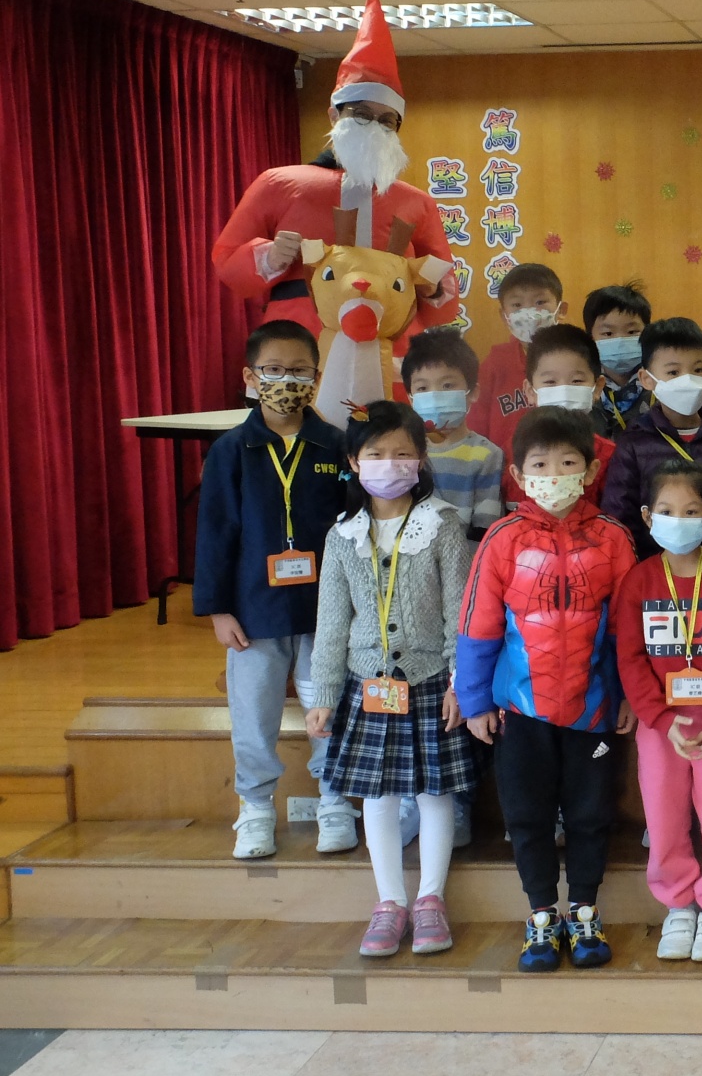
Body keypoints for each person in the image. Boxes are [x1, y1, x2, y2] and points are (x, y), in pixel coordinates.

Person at [456, 407, 638, 972]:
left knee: (590, 813)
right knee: (526, 815)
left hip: (593, 712)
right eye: (540, 465)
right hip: (520, 712)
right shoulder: (501, 539)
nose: (554, 475)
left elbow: (628, 627)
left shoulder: (613, 539)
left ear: (590, 471)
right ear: (518, 473)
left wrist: (628, 695)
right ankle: (540, 914)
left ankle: (584, 910)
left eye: (567, 463)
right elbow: (478, 625)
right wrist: (475, 701)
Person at [307, 401, 474, 958]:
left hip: (430, 680)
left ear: (420, 459)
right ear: (354, 462)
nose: (389, 463)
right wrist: (324, 694)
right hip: (366, 683)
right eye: (375, 453)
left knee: (434, 792)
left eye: (402, 453)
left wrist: (459, 682)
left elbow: (459, 613)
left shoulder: (442, 524)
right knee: (376, 795)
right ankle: (389, 901)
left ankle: (430, 899)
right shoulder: (342, 535)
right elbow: (332, 622)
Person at [210, 0, 456, 345]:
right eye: (362, 114)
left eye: (387, 120)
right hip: (300, 343)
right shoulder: (279, 184)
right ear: (334, 115)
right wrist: (270, 256)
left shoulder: (416, 203)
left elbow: (446, 300)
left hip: (390, 344)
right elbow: (227, 262)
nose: (374, 127)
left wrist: (432, 288)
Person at [194, 320, 351, 860]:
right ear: (250, 377)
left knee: (327, 706)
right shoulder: (231, 450)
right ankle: (256, 808)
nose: (288, 380)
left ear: (317, 377)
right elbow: (215, 532)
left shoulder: (336, 444)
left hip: (325, 610)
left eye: (300, 371)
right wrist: (217, 609)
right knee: (253, 713)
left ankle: (335, 801)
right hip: (253, 610)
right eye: (274, 370)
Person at [613, 459, 702, 964]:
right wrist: (664, 720)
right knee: (664, 817)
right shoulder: (640, 580)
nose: (679, 519)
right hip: (661, 727)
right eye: (667, 510)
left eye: (691, 510)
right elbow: (630, 657)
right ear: (648, 517)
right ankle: (678, 903)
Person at [600, 317, 702, 558]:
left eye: (698, 370)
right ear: (646, 379)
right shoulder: (634, 443)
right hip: (656, 568)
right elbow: (620, 517)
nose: (687, 380)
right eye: (673, 372)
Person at [500, 325, 618, 511]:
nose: (563, 390)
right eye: (550, 382)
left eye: (576, 381)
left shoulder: (610, 456)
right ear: (530, 391)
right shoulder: (511, 451)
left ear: (597, 388)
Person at [401, 327, 503, 540]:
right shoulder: (404, 451)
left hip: (464, 557)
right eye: (422, 388)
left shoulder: (487, 455)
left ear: (472, 392)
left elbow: (485, 530)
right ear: (411, 398)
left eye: (447, 385)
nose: (435, 396)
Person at [473, 262, 567, 448]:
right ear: (504, 316)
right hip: (506, 464)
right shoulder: (495, 363)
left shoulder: (574, 359)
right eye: (517, 305)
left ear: (561, 310)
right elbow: (477, 424)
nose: (529, 313)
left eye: (540, 302)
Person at [583, 283, 653, 436]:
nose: (621, 340)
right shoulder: (582, 387)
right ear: (590, 338)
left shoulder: (660, 385)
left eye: (632, 332)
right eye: (608, 333)